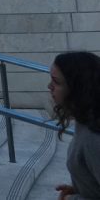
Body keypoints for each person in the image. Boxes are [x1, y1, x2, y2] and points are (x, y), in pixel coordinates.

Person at [49, 51, 100, 199]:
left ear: (78, 89)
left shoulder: (94, 139)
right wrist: (82, 187)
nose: (49, 86)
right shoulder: (85, 122)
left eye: (56, 82)